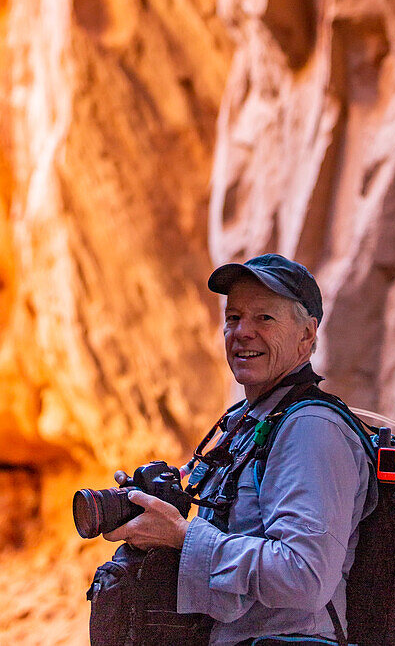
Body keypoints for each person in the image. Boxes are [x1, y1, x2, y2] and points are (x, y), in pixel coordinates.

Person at [103, 253, 377, 646]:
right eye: (233, 318)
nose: (242, 332)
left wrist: (183, 537)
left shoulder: (312, 430)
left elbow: (306, 578)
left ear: (307, 334)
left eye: (265, 318)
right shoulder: (248, 423)